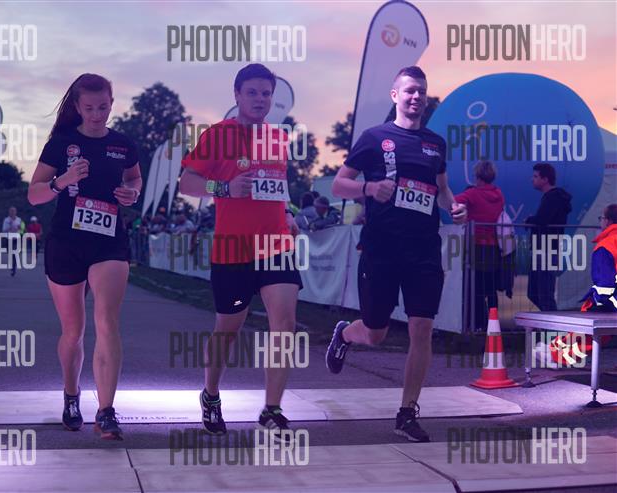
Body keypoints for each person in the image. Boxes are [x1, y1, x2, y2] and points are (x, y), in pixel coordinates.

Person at [325, 66, 467, 442]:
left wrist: (454, 207)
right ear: (395, 95)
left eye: (421, 91)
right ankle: (346, 334)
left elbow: (442, 190)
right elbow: (339, 184)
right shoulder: (374, 138)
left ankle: (407, 413)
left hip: (423, 249)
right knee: (376, 333)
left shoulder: (436, 144)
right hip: (382, 248)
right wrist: (369, 189)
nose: (416, 96)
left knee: (422, 328)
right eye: (409, 90)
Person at [179, 63, 301, 438]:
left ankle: (272, 408)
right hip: (233, 249)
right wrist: (224, 188)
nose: (260, 100)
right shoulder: (218, 135)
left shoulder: (278, 138)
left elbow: (276, 187)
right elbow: (187, 183)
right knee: (227, 330)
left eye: (266, 93)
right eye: (252, 93)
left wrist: (289, 214)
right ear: (237, 95)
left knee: (285, 323)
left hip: (275, 243)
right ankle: (211, 394)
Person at [27, 73, 141, 439]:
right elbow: (34, 195)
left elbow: (134, 179)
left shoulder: (122, 144)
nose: (96, 115)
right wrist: (62, 180)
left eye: (103, 107)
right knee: (73, 330)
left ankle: (106, 411)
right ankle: (71, 394)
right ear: (77, 106)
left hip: (108, 242)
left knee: (106, 321)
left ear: (112, 104)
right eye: (89, 108)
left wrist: (132, 193)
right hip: (67, 242)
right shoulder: (62, 144)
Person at [541, 204, 617, 367]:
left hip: (610, 305)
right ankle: (553, 353)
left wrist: (596, 305)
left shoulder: (606, 246)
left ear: (608, 221)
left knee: (588, 335)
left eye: (602, 218)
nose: (601, 221)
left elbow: (605, 284)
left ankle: (554, 355)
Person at [454, 160, 505, 330]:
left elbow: (452, 202)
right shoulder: (499, 194)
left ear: (477, 177)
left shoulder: (473, 194)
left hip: (476, 246)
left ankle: (477, 324)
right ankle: (493, 324)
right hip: (494, 246)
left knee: (474, 288)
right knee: (490, 289)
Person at [525, 163, 572, 311]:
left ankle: (553, 322)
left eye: (535, 176)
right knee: (535, 293)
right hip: (543, 249)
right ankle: (550, 319)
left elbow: (542, 220)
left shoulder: (553, 198)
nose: (532, 179)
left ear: (545, 179)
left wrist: (530, 220)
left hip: (547, 250)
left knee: (544, 294)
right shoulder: (552, 198)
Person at [2, 207, 23, 276]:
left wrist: (20, 228)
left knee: (14, 254)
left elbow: (21, 229)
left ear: (16, 212)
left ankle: (13, 268)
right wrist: (10, 226)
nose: (12, 212)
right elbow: (4, 230)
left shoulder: (19, 219)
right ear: (9, 212)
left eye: (14, 211)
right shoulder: (6, 220)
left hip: (16, 239)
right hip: (9, 238)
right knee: (10, 253)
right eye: (11, 211)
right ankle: (12, 265)